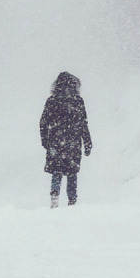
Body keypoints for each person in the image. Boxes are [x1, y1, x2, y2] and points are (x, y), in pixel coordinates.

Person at [39, 71, 92, 208]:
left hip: (56, 141)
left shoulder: (52, 100)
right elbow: (83, 123)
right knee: (72, 172)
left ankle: (54, 196)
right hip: (73, 141)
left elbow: (44, 122)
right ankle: (72, 200)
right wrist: (87, 142)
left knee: (57, 170)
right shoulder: (77, 101)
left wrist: (45, 140)